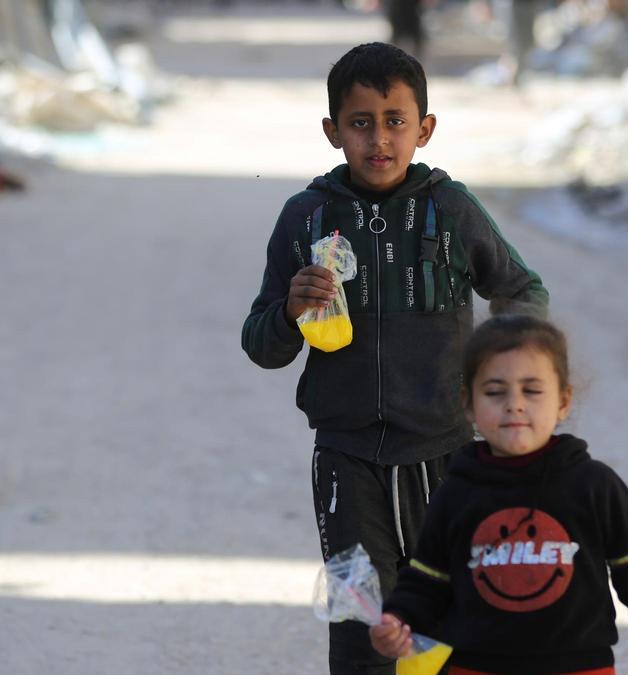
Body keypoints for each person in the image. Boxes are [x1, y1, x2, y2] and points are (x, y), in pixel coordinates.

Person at [241, 42, 548, 675]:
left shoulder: (451, 209)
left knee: (448, 602)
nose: (378, 139)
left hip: (446, 449)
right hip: (346, 453)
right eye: (360, 123)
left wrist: (506, 375)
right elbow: (262, 344)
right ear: (332, 132)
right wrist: (292, 311)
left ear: (424, 129)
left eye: (395, 121)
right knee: (362, 607)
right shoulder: (306, 219)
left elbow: (520, 290)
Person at [369, 315, 628, 675]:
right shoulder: (455, 493)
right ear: (468, 404)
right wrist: (398, 620)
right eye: (494, 391)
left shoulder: (594, 487)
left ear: (564, 401)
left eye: (532, 390)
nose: (514, 404)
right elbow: (426, 582)